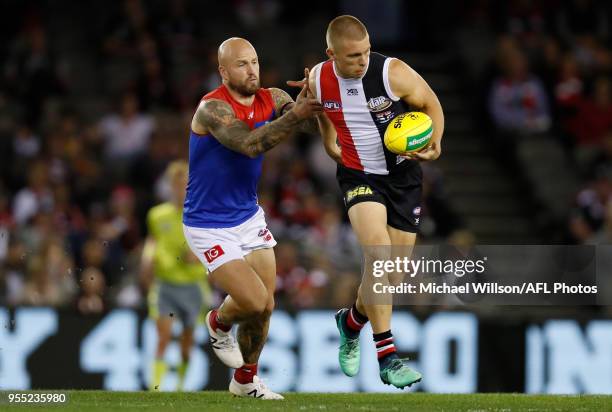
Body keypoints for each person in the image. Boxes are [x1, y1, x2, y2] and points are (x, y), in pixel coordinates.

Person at [291, 15, 445, 389]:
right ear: (331, 54)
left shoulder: (393, 72)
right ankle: (387, 356)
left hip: (404, 177)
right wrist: (328, 138)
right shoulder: (317, 78)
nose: (362, 61)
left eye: (365, 52)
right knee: (377, 255)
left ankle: (352, 321)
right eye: (352, 56)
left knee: (390, 277)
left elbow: (432, 104)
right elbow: (316, 108)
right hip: (359, 175)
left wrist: (435, 141)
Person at [182, 37, 321, 399]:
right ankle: (217, 322)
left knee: (266, 305)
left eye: (255, 61)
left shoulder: (272, 98)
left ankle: (245, 381)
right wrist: (296, 115)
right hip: (207, 224)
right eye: (242, 64)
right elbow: (249, 144)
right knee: (253, 300)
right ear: (223, 71)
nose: (252, 69)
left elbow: (307, 126)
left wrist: (316, 99)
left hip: (247, 217)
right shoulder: (211, 109)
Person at [140, 160, 211, 391]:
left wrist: (198, 254)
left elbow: (212, 247)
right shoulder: (157, 215)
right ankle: (156, 388)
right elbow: (153, 240)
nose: (181, 190)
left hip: (192, 285)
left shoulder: (201, 215)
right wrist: (147, 257)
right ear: (171, 186)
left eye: (185, 185)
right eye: (177, 185)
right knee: (163, 336)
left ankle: (180, 386)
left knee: (185, 345)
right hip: (166, 284)